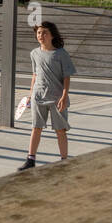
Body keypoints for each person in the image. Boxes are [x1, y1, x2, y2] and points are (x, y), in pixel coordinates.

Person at [17, 20, 76, 171]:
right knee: (36, 127)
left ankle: (64, 161)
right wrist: (30, 96)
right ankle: (30, 160)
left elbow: (67, 77)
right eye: (38, 33)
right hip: (38, 97)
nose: (41, 35)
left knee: (60, 130)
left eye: (44, 33)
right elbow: (35, 75)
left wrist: (64, 96)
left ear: (52, 35)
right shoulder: (34, 53)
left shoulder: (61, 54)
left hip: (57, 99)